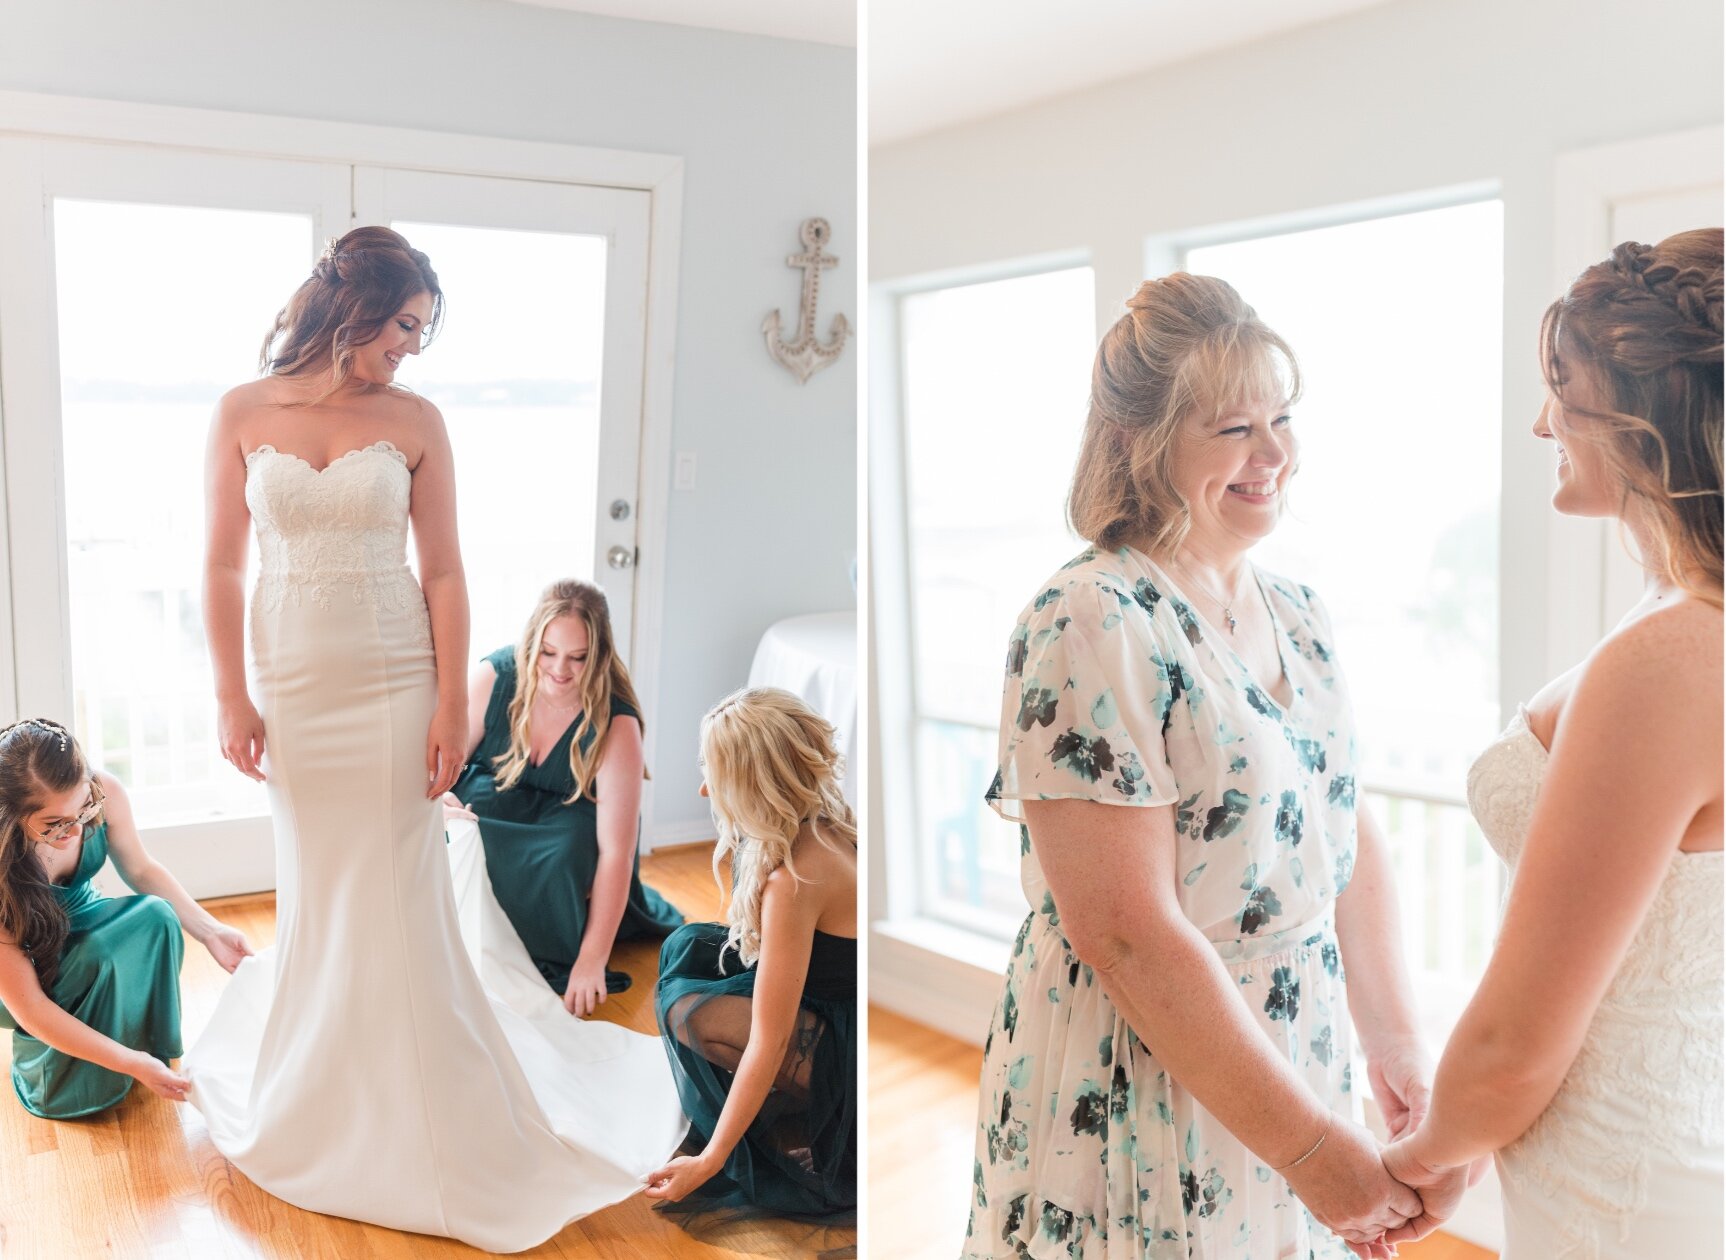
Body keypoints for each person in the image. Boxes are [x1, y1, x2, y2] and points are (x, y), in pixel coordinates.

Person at [187, 226, 685, 1252]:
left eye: (421, 329)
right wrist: (231, 694)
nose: (413, 346)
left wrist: (451, 710)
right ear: (353, 307)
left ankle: (416, 1096)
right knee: (318, 879)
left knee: (396, 878)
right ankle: (319, 1079)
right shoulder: (241, 411)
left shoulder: (417, 420)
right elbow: (224, 566)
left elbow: (447, 573)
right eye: (405, 324)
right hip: (291, 678)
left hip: (388, 676)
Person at [964, 274, 1429, 1260]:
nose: (1274, 456)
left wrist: (1394, 1047)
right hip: (1144, 1059)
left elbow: (1342, 825)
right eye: (1231, 430)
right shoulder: (1088, 621)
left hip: (1288, 1046)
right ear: (1137, 441)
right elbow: (1127, 937)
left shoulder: (1299, 612)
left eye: (1282, 418)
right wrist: (1307, 1148)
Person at [1380, 229, 1724, 1259]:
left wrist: (1415, 1157)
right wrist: (1474, 1124)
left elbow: (1516, 1042)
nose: (1541, 423)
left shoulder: (1670, 659)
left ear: (1640, 418)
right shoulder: (1684, 623)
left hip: (1627, 1190)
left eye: (1561, 390)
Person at [644, 688, 857, 1221]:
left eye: (715, 779)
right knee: (688, 946)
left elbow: (770, 1037)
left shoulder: (795, 880)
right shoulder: (825, 819)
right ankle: (774, 1104)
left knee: (687, 1010)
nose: (702, 789)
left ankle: (810, 1112)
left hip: (847, 1046)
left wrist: (711, 1158)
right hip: (829, 996)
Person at [443, 578, 683, 1015]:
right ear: (532, 641)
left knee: (569, 848)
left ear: (600, 656)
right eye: (548, 653)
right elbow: (441, 765)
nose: (559, 670)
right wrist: (440, 800)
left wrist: (592, 961)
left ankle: (544, 944)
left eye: (578, 657)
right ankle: (452, 935)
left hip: (566, 827)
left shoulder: (617, 725)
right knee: (466, 824)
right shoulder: (495, 677)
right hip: (495, 799)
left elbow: (616, 852)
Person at [0, 718, 250, 1118]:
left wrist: (211, 930)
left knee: (156, 916)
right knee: (97, 952)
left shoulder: (104, 790)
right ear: (10, 816)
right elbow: (31, 1007)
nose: (75, 828)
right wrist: (129, 1063)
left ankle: (142, 1044)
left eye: (83, 810)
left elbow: (141, 870)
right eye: (53, 824)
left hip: (79, 914)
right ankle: (82, 1074)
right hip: (21, 960)